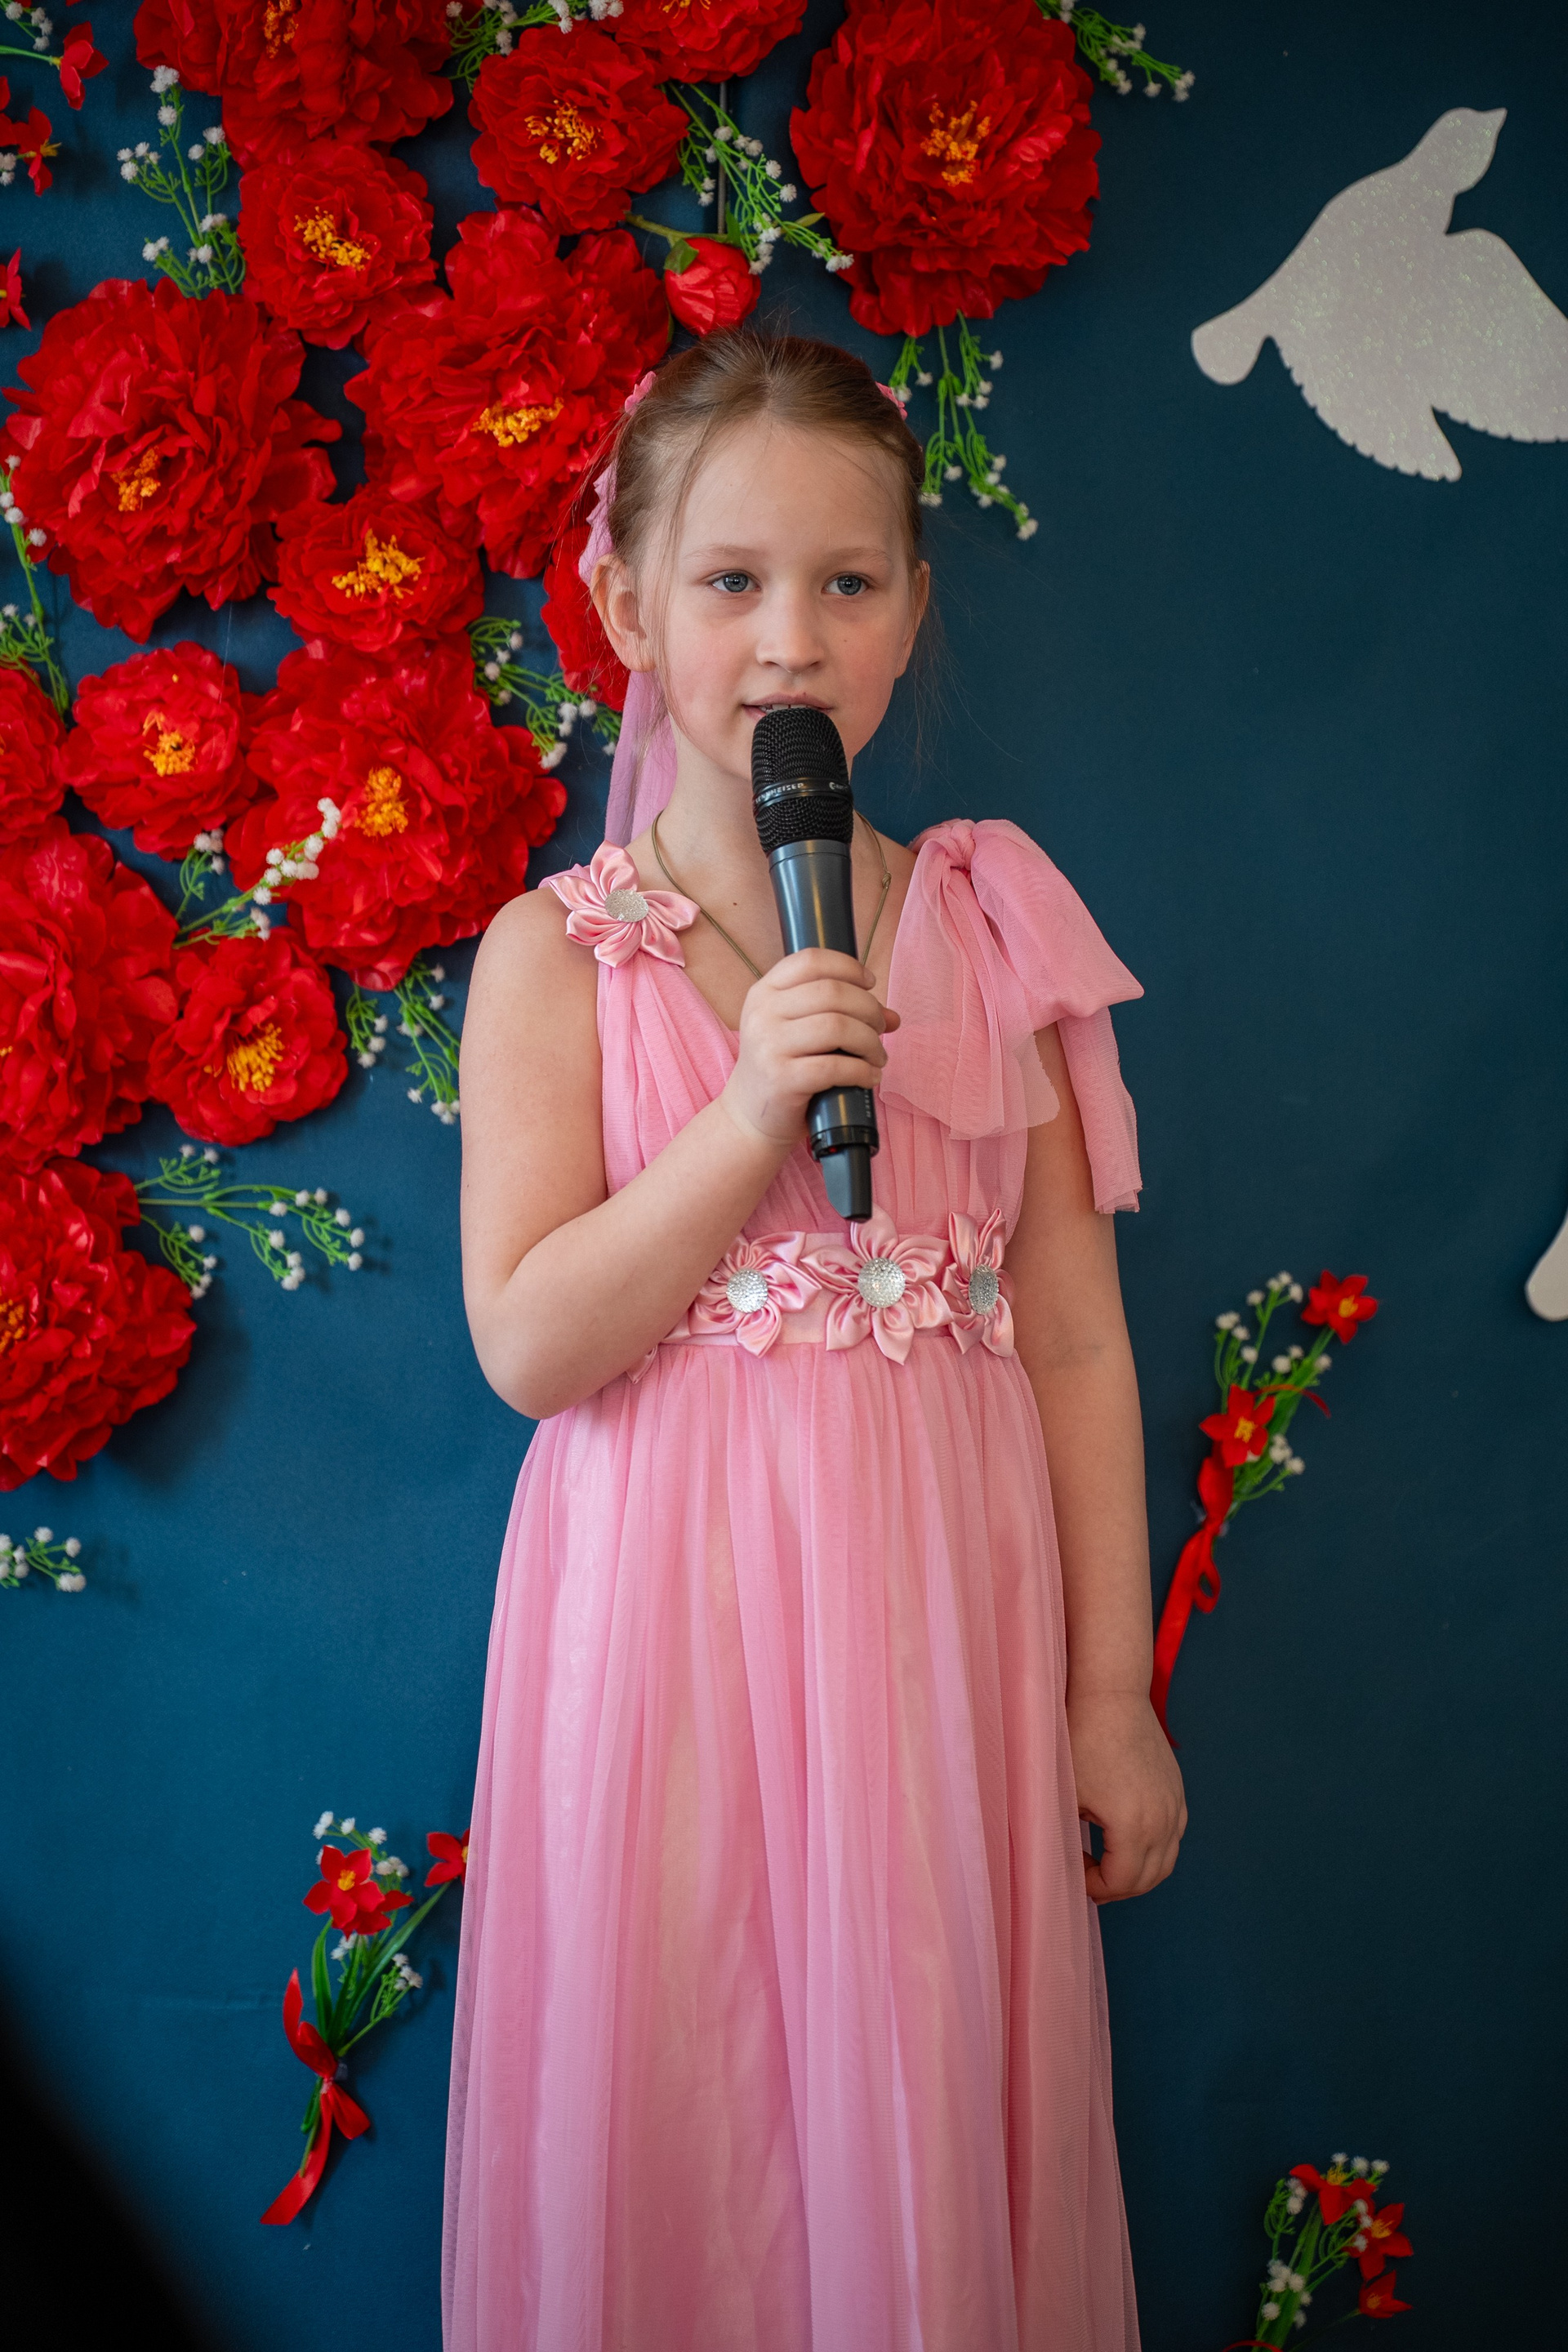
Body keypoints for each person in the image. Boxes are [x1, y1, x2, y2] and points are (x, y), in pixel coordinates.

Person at [450, 329, 1185, 2352]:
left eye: (847, 582)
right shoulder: (557, 956)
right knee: (694, 2098)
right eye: (733, 580)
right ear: (626, 605)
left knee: (913, 2098)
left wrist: (1106, 1693)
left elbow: (1073, 1344)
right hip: (670, 1637)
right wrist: (753, 1107)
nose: (792, 636)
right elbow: (530, 1344)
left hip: (937, 1624)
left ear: (911, 610)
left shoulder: (990, 921)